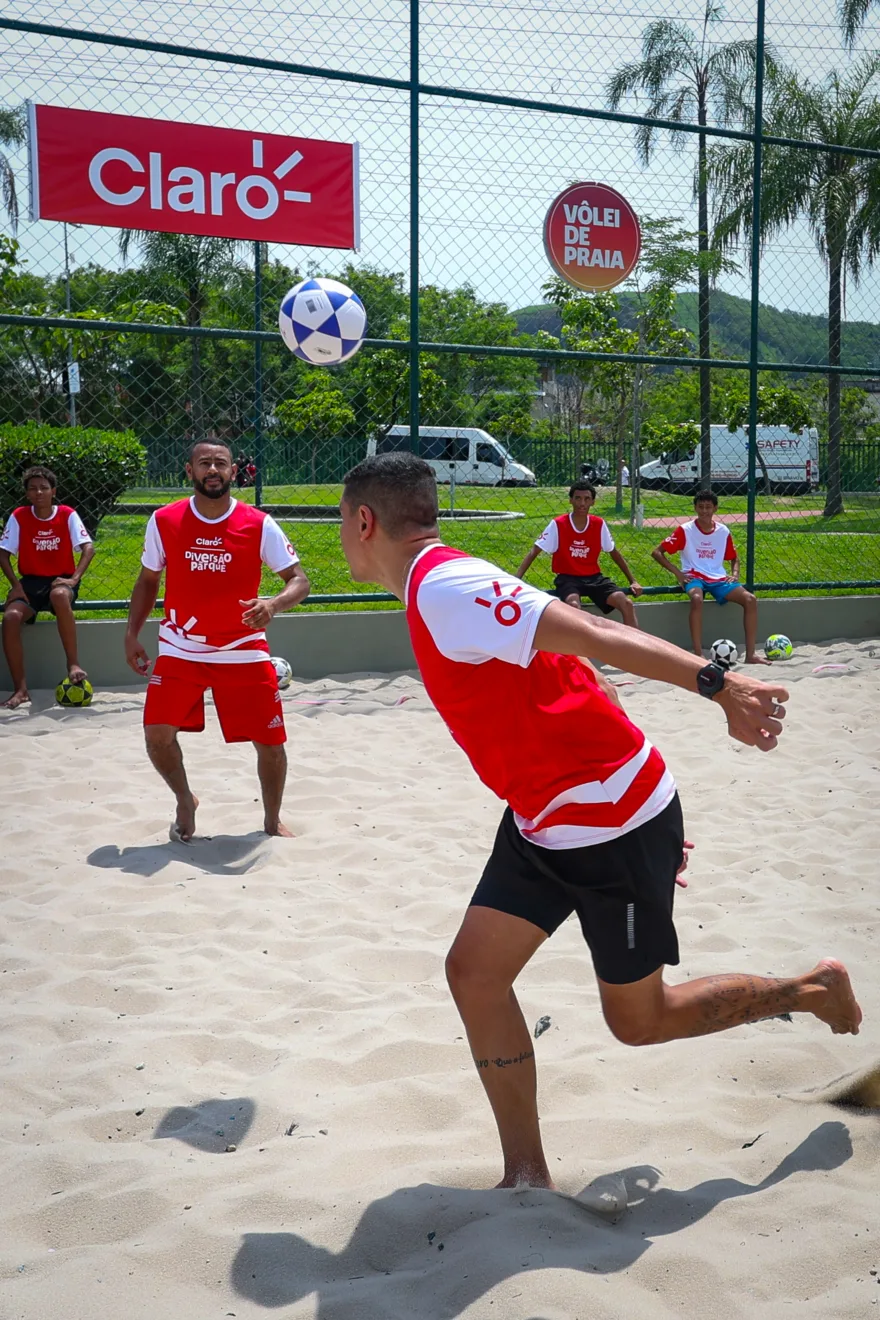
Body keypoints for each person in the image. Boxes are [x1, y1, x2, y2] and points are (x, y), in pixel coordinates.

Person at [338, 452, 861, 1190]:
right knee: (474, 975)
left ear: (363, 521)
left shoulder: (445, 586)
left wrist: (717, 684)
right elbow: (569, 651)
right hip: (545, 817)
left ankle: (810, 988)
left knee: (640, 1021)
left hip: (613, 823)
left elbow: (592, 634)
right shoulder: (441, 585)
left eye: (339, 521)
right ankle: (526, 1175)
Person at [124, 440, 310, 840]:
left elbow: (299, 580)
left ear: (233, 471)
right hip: (180, 645)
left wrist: (273, 605)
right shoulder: (164, 520)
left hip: (242, 648)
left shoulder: (259, 523)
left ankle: (271, 821)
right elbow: (147, 580)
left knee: (271, 742)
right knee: (157, 735)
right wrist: (131, 634)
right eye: (204, 463)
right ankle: (184, 800)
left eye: (221, 463)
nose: (213, 469)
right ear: (189, 470)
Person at [0, 465, 95, 709]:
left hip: (60, 579)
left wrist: (74, 579)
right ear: (27, 494)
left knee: (60, 595)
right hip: (30, 582)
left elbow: (88, 548)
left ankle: (73, 665)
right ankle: (21, 689)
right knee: (10, 617)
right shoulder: (20, 516)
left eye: (44, 488)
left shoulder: (67, 514)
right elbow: (3, 554)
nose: (39, 493)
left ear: (53, 491)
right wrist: (15, 586)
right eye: (33, 489)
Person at [651, 489, 769, 665]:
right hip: (694, 576)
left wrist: (735, 574)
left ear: (715, 508)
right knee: (696, 599)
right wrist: (678, 573)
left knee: (750, 599)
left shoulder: (723, 531)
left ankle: (751, 655)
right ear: (695, 508)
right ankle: (698, 654)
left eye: (708, 507)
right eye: (700, 507)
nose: (704, 511)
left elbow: (734, 557)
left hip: (718, 578)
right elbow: (657, 552)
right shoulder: (685, 530)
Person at [515, 480, 642, 627]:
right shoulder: (558, 524)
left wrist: (633, 580)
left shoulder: (599, 524)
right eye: (578, 498)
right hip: (568, 578)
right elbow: (534, 551)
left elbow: (613, 552)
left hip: (594, 578)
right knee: (573, 606)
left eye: (587, 499)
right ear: (570, 500)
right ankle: (577, 649)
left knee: (626, 603)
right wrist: (517, 579)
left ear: (593, 502)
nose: (582, 503)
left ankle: (631, 647)